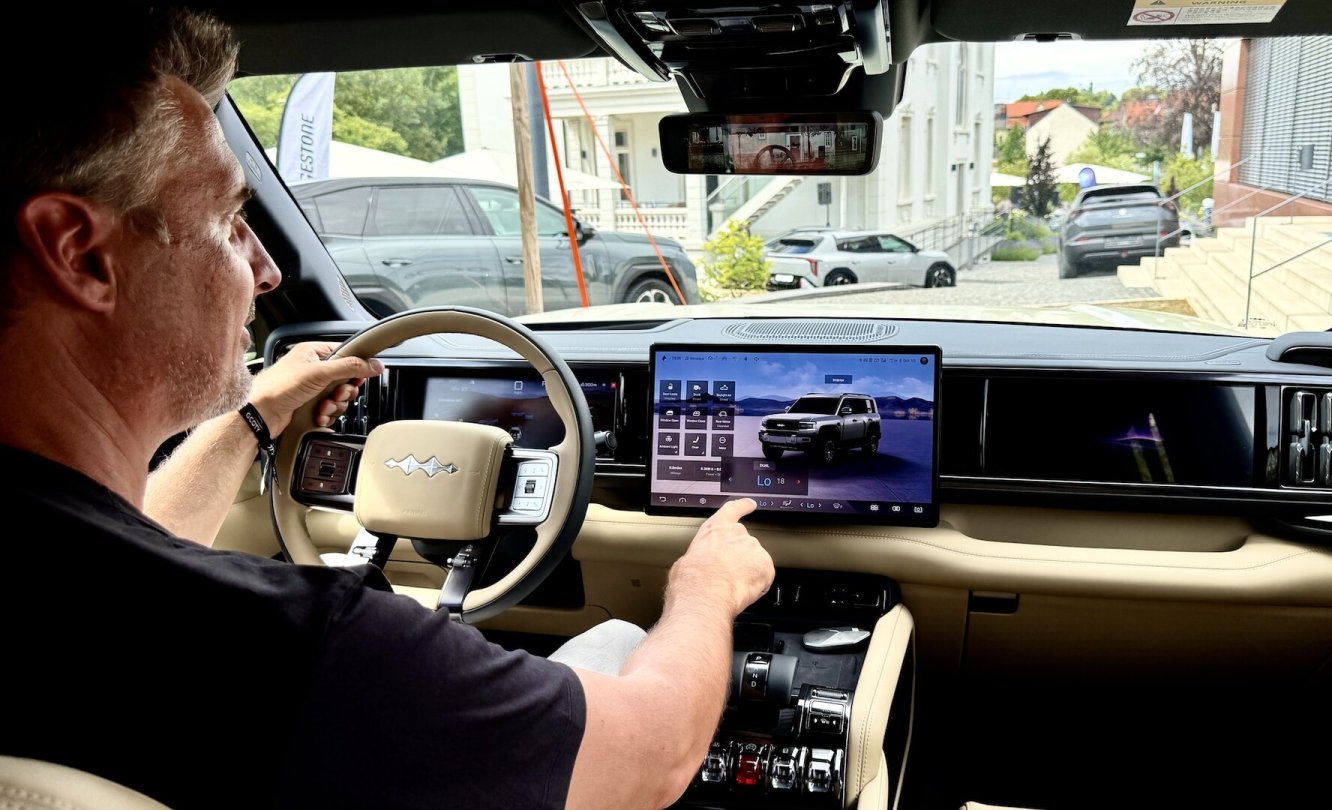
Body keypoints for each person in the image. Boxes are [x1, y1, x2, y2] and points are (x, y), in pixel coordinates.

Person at [0, 7, 775, 810]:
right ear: (79, 252)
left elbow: (140, 558)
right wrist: (703, 589)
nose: (266, 274)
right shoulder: (314, 655)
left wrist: (254, 417)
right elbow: (655, 756)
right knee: (623, 644)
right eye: (231, 223)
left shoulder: (88, 589)